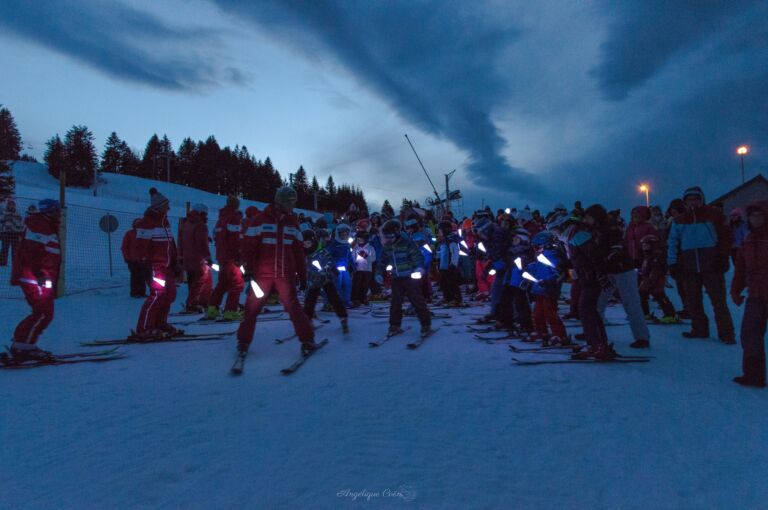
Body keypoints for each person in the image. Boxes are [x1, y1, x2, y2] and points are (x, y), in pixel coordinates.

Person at [237, 186, 318, 356]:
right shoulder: (260, 220)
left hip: (284, 276)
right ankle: (243, 341)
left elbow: (298, 253)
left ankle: (307, 339)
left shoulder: (293, 223)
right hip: (262, 277)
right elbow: (248, 247)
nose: (293, 206)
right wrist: (248, 269)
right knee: (252, 308)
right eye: (290, 202)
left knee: (293, 307)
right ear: (281, 201)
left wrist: (303, 276)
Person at [668, 186, 735, 344]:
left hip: (711, 264)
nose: (693, 203)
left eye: (695, 199)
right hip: (689, 265)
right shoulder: (680, 220)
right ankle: (699, 329)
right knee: (693, 300)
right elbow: (672, 242)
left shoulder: (713, 215)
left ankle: (726, 333)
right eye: (689, 200)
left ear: (701, 199)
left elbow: (725, 236)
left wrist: (723, 257)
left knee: (718, 300)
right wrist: (672, 263)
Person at [8, 199, 61, 361]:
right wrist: (40, 275)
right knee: (44, 313)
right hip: (35, 277)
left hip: (38, 276)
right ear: (49, 212)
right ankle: (24, 347)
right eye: (57, 211)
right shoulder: (40, 226)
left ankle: (22, 344)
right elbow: (32, 252)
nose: (60, 215)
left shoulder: (44, 225)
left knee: (42, 313)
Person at [597, 205, 651, 349]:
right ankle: (596, 331)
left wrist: (609, 258)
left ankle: (642, 337)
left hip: (623, 270)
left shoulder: (610, 228)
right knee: (598, 302)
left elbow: (616, 249)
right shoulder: (596, 230)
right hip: (609, 270)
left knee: (631, 303)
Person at [132, 189, 182, 340]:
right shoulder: (147, 223)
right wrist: (145, 263)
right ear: (159, 206)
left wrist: (175, 262)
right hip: (155, 266)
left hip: (167, 266)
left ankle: (160, 323)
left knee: (170, 294)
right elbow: (141, 246)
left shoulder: (164, 221)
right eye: (166, 205)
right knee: (157, 295)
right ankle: (145, 328)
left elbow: (170, 244)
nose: (169, 208)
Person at [569, 205, 616, 360]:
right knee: (590, 310)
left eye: (588, 217)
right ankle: (598, 343)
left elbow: (595, 257)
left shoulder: (595, 233)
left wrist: (601, 276)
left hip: (592, 277)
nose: (585, 220)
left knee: (586, 309)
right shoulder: (591, 232)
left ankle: (597, 345)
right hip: (588, 276)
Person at [731, 201, 768, 387]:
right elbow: (740, 269)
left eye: (760, 216)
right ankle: (754, 375)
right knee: (750, 334)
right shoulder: (748, 241)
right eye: (752, 216)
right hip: (755, 295)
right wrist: (735, 290)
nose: (756, 219)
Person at [374, 219, 432, 336]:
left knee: (417, 300)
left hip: (410, 278)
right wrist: (379, 273)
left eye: (390, 236)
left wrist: (419, 269)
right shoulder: (388, 246)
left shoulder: (407, 243)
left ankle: (426, 324)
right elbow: (382, 261)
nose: (388, 239)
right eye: (387, 236)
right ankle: (394, 325)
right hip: (397, 278)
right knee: (395, 302)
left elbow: (418, 257)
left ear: (396, 232)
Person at [525, 231, 569, 346]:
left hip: (549, 290)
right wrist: (529, 268)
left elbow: (557, 273)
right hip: (539, 288)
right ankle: (541, 331)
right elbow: (538, 269)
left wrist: (548, 281)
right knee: (537, 313)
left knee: (551, 313)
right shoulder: (541, 256)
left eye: (537, 246)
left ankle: (560, 335)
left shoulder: (553, 256)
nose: (535, 249)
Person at [302, 229, 348, 331]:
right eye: (304, 243)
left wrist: (331, 269)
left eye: (308, 243)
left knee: (334, 298)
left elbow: (330, 261)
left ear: (313, 241)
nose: (306, 245)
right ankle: (308, 320)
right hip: (313, 281)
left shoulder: (321, 251)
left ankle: (343, 317)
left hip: (325, 278)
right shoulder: (303, 253)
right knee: (309, 301)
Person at [207, 196, 245, 321]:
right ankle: (230, 310)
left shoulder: (221, 219)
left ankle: (212, 308)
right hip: (231, 257)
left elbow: (216, 236)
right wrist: (239, 256)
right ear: (236, 205)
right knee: (237, 284)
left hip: (221, 256)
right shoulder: (234, 218)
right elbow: (236, 239)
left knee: (223, 283)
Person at [638, 234, 678, 323]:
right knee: (642, 295)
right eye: (643, 245)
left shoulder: (657, 256)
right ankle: (645, 314)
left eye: (646, 245)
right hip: (648, 279)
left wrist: (650, 280)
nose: (644, 247)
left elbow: (656, 270)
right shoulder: (648, 255)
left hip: (655, 280)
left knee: (659, 295)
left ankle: (670, 315)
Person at [182, 203, 212, 312]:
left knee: (193, 281)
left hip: (188, 257)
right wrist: (207, 257)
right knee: (202, 281)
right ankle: (194, 303)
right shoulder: (201, 225)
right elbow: (201, 243)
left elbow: (191, 239)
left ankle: (200, 302)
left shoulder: (187, 223)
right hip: (199, 259)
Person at [327, 223, 354, 308]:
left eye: (346, 233)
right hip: (336, 269)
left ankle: (346, 301)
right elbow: (328, 256)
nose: (345, 235)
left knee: (347, 284)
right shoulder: (334, 244)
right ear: (338, 233)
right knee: (337, 286)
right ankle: (335, 303)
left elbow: (350, 256)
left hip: (345, 268)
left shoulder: (347, 244)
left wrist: (353, 266)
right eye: (343, 233)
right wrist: (332, 266)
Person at [436, 220, 462, 306]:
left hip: (450, 265)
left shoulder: (451, 239)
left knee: (452, 282)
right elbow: (442, 252)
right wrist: (436, 255)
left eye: (440, 230)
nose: (439, 232)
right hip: (444, 265)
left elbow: (455, 252)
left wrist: (453, 264)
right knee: (444, 283)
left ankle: (456, 298)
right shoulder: (443, 240)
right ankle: (447, 297)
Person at [122, 218, 148, 297]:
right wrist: (127, 258)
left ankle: (141, 292)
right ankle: (134, 292)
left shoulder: (144, 233)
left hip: (143, 260)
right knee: (135, 276)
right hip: (133, 260)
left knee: (142, 276)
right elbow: (124, 247)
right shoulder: (130, 234)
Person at [351, 230, 375, 306]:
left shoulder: (370, 248)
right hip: (358, 269)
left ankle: (363, 298)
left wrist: (365, 256)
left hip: (367, 269)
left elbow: (373, 259)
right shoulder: (355, 248)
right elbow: (352, 258)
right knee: (356, 284)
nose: (359, 240)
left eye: (361, 239)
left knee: (365, 285)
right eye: (358, 239)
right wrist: (354, 262)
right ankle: (355, 298)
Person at [0, 198, 24, 266]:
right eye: (10, 204)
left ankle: (15, 263)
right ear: (7, 205)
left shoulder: (17, 214)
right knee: (4, 249)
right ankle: (2, 263)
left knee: (15, 250)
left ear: (15, 206)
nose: (11, 206)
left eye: (13, 205)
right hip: (5, 233)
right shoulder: (3, 213)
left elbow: (20, 224)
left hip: (15, 234)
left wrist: (20, 233)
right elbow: (1, 223)